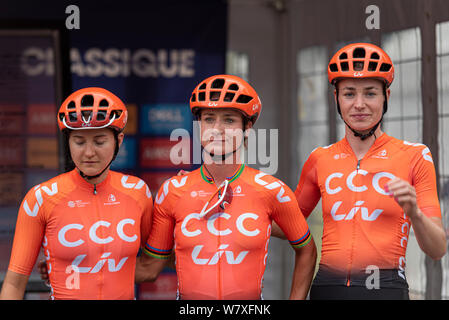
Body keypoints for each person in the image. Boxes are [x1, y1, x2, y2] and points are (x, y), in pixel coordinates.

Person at [135, 74, 317, 299]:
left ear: (247, 127)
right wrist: (87, 273)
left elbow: (307, 250)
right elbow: (150, 268)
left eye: (229, 120)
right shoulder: (173, 190)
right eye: (209, 119)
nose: (217, 129)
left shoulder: (271, 189)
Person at [293, 43, 446, 299]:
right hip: (327, 289)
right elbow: (285, 223)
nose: (359, 104)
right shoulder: (320, 158)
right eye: (349, 93)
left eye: (371, 93)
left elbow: (437, 248)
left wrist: (415, 214)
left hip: (386, 289)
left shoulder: (415, 156)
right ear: (336, 98)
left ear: (387, 96)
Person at [0, 87, 153, 300]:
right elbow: (14, 284)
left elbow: (154, 264)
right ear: (68, 142)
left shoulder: (138, 192)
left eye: (100, 141)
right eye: (79, 141)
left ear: (118, 142)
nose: (89, 152)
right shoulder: (41, 198)